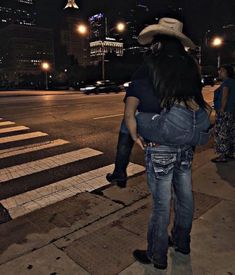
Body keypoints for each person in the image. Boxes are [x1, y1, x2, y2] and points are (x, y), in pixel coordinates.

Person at [124, 18, 211, 270]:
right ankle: (182, 242)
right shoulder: (190, 65)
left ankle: (157, 255)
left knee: (162, 203)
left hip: (161, 142)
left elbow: (131, 110)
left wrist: (134, 133)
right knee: (184, 195)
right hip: (186, 140)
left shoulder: (149, 65)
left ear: (157, 42)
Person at [106, 65, 162, 188]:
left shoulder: (137, 84)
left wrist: (135, 136)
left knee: (124, 140)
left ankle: (119, 172)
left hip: (140, 121)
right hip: (158, 122)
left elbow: (129, 114)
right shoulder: (165, 83)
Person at [212, 64, 235, 162]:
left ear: (226, 72)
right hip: (232, 111)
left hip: (225, 112)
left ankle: (222, 156)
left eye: (221, 70)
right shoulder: (233, 81)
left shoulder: (226, 83)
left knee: (222, 133)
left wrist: (221, 109)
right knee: (231, 132)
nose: (219, 72)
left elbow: (224, 97)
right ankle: (230, 153)